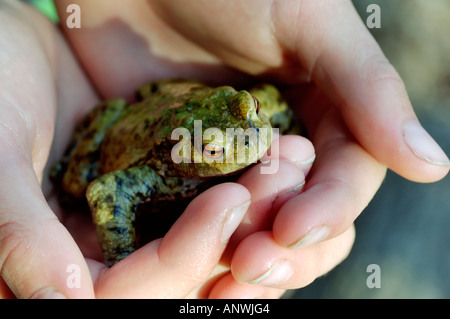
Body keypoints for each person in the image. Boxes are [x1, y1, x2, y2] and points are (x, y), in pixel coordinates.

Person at [0, 0, 448, 299]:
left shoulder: (245, 111)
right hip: (134, 129)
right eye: (217, 150)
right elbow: (104, 192)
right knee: (76, 181)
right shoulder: (158, 169)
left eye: (251, 114)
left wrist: (271, 115)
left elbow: (263, 102)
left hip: (184, 97)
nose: (254, 139)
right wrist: (122, 256)